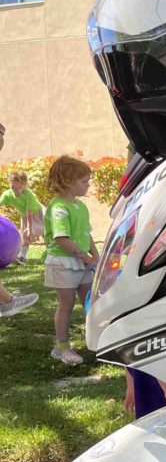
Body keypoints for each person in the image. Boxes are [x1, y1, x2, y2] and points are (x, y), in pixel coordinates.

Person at [43, 155, 98, 365]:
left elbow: (87, 233)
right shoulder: (58, 208)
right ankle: (62, 347)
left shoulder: (80, 206)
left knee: (89, 302)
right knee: (66, 304)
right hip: (63, 263)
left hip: (81, 261)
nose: (88, 185)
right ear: (68, 182)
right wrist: (87, 258)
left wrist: (96, 257)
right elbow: (61, 239)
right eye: (84, 181)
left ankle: (96, 341)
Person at [1, 171, 44, 263]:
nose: (16, 190)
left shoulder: (28, 195)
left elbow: (29, 212)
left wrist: (30, 227)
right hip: (25, 216)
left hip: (38, 213)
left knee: (48, 232)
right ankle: (22, 257)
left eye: (19, 187)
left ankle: (52, 253)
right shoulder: (7, 194)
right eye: (13, 187)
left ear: (24, 185)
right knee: (25, 236)